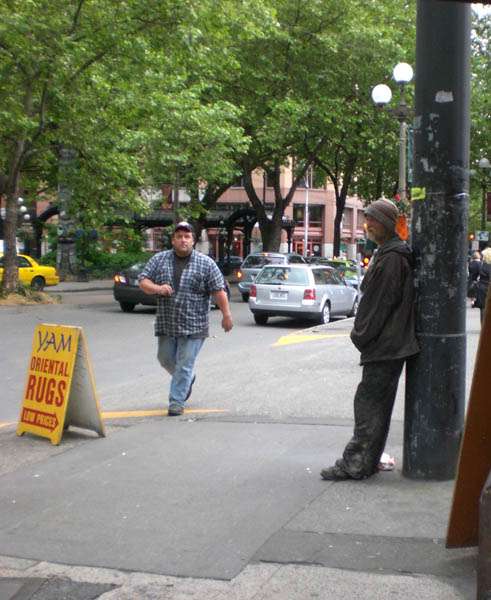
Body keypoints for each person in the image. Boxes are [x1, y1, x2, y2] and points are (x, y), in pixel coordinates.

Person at [320, 199, 420, 481]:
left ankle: (356, 463)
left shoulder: (392, 258)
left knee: (368, 404)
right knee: (374, 404)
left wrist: (360, 335)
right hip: (389, 343)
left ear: (386, 223)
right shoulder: (390, 254)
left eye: (373, 220)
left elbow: (380, 305)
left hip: (385, 345)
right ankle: (365, 460)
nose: (368, 224)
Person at [139, 222, 233, 416]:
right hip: (167, 322)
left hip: (194, 324)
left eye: (187, 236)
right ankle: (187, 379)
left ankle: (176, 402)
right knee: (164, 358)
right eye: (179, 236)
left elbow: (219, 291)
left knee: (184, 363)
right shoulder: (159, 259)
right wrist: (158, 289)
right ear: (173, 240)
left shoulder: (206, 263)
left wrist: (226, 315)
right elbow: (143, 281)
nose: (183, 240)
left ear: (193, 240)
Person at [475, 247, 491, 324]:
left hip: (482, 287)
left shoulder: (482, 264)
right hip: (488, 287)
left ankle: (483, 325)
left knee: (483, 308)